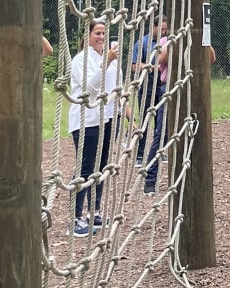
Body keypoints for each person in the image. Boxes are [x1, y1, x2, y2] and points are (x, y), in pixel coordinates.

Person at [67, 19, 120, 237]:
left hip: (107, 119)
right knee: (85, 167)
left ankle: (95, 211)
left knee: (101, 166)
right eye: (97, 33)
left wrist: (122, 114)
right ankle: (75, 218)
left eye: (104, 33)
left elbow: (116, 87)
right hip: (86, 120)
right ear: (88, 35)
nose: (101, 37)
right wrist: (106, 61)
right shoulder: (82, 60)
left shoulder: (111, 58)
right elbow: (91, 87)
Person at [130, 17, 169, 193]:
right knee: (145, 121)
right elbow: (134, 65)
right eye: (160, 28)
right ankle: (140, 155)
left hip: (160, 86)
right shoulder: (143, 43)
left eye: (165, 29)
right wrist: (150, 66)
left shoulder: (166, 40)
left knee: (160, 125)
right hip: (147, 87)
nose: (163, 31)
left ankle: (162, 151)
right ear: (153, 26)